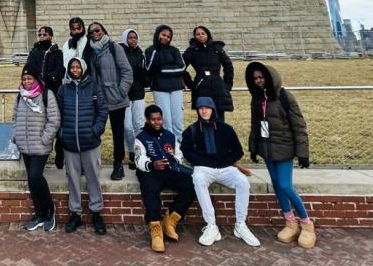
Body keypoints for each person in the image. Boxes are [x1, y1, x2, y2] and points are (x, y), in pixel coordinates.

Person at [245, 62, 315, 248]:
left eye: (261, 77)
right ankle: (289, 221)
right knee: (276, 185)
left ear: (269, 77)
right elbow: (255, 125)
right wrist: (254, 147)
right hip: (267, 148)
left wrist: (303, 153)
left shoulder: (284, 96)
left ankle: (307, 223)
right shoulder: (257, 99)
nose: (259, 81)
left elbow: (299, 125)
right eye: (256, 79)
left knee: (285, 185)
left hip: (284, 148)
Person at [180, 95, 260, 247]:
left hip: (225, 168)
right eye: (201, 108)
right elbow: (186, 151)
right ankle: (211, 225)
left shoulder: (226, 129)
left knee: (243, 182)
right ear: (197, 111)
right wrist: (202, 161)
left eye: (207, 108)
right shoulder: (192, 130)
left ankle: (240, 225)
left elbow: (238, 151)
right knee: (197, 179)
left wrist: (225, 162)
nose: (204, 111)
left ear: (213, 109)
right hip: (203, 167)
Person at [57, 58, 109, 235]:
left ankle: (96, 212)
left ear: (83, 68)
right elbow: (58, 113)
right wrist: (62, 133)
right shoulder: (64, 89)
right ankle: (75, 213)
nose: (74, 69)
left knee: (93, 177)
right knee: (72, 178)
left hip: (90, 142)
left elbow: (102, 111)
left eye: (77, 66)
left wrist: (95, 130)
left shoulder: (93, 87)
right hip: (70, 142)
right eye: (72, 67)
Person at [134, 105, 196, 253]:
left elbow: (178, 154)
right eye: (153, 120)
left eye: (159, 119)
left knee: (192, 185)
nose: (157, 122)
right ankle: (155, 227)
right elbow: (139, 160)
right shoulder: (140, 138)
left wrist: (173, 159)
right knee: (150, 190)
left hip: (169, 170)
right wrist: (152, 164)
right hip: (150, 171)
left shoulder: (170, 135)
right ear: (148, 120)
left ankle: (171, 219)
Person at [12, 69, 60, 232]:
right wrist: (15, 135)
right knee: (32, 181)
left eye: (30, 78)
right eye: (24, 78)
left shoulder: (46, 95)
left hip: (40, 145)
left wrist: (45, 139)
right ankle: (39, 214)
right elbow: (15, 117)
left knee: (35, 176)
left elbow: (54, 120)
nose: (26, 81)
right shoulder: (20, 95)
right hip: (24, 145)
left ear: (36, 79)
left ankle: (49, 211)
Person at [87, 22, 132, 180]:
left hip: (116, 98)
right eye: (91, 32)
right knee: (95, 131)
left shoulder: (114, 48)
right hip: (98, 99)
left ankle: (118, 164)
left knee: (117, 134)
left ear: (103, 30)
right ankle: (92, 164)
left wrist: (121, 92)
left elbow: (127, 71)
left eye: (97, 30)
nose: (95, 33)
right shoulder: (91, 52)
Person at [182, 26, 234, 121]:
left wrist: (227, 84)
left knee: (219, 119)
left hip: (218, 86)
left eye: (203, 33)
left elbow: (228, 66)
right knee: (204, 118)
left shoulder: (217, 48)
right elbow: (181, 67)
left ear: (208, 35)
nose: (200, 36)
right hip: (201, 87)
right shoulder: (192, 50)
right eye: (198, 34)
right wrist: (190, 83)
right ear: (194, 36)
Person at [145, 25, 186, 142]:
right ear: (157, 34)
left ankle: (179, 146)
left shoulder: (174, 50)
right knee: (166, 120)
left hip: (176, 89)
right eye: (163, 35)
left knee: (177, 120)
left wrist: (162, 70)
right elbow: (149, 68)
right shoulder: (150, 50)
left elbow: (182, 68)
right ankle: (168, 145)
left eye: (168, 36)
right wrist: (156, 50)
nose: (166, 38)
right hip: (160, 89)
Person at [120, 29, 148, 170]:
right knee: (127, 127)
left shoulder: (140, 54)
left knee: (139, 125)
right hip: (124, 95)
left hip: (138, 94)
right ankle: (131, 151)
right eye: (130, 37)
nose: (133, 40)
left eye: (135, 37)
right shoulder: (120, 52)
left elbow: (144, 74)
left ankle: (139, 153)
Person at [25, 26, 64, 95]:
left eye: (44, 34)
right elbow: (29, 66)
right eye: (40, 35)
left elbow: (60, 69)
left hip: (53, 88)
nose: (42, 36)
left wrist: (48, 79)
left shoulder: (57, 52)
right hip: (37, 87)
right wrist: (38, 80)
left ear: (51, 36)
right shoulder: (34, 52)